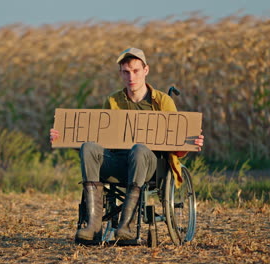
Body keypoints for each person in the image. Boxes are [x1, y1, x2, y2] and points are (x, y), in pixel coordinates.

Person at [50, 47, 204, 242]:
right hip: (118, 162)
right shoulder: (113, 101)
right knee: (88, 147)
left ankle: (128, 225)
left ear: (146, 70)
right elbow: (99, 138)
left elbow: (176, 146)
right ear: (120, 73)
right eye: (126, 72)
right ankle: (93, 227)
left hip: (150, 166)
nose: (131, 76)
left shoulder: (162, 101)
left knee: (139, 148)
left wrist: (190, 142)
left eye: (136, 71)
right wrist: (65, 137)